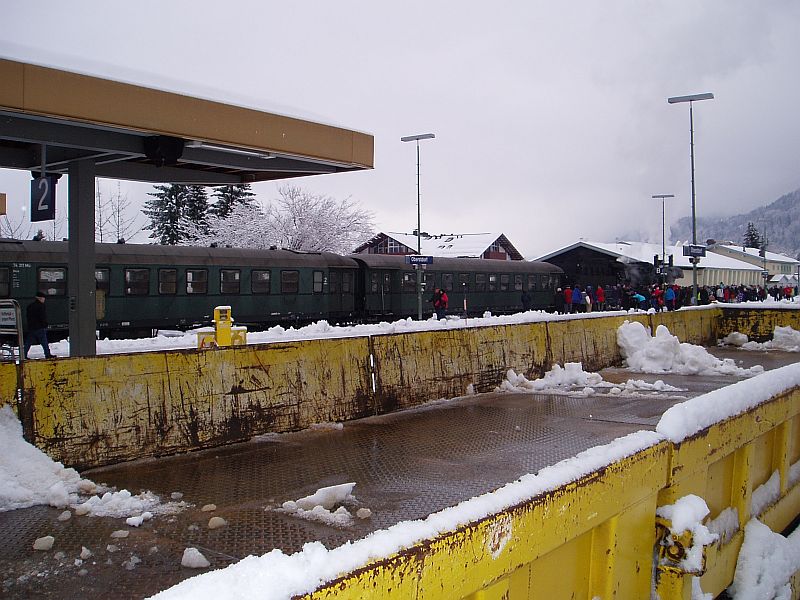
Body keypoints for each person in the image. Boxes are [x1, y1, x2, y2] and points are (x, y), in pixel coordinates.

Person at [24, 292, 52, 359]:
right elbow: (42, 317)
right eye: (43, 298)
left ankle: (23, 354)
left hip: (32, 327)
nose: (44, 300)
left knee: (28, 342)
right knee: (44, 342)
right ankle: (47, 354)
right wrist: (45, 324)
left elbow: (28, 317)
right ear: (40, 298)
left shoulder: (30, 306)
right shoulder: (41, 306)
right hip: (40, 327)